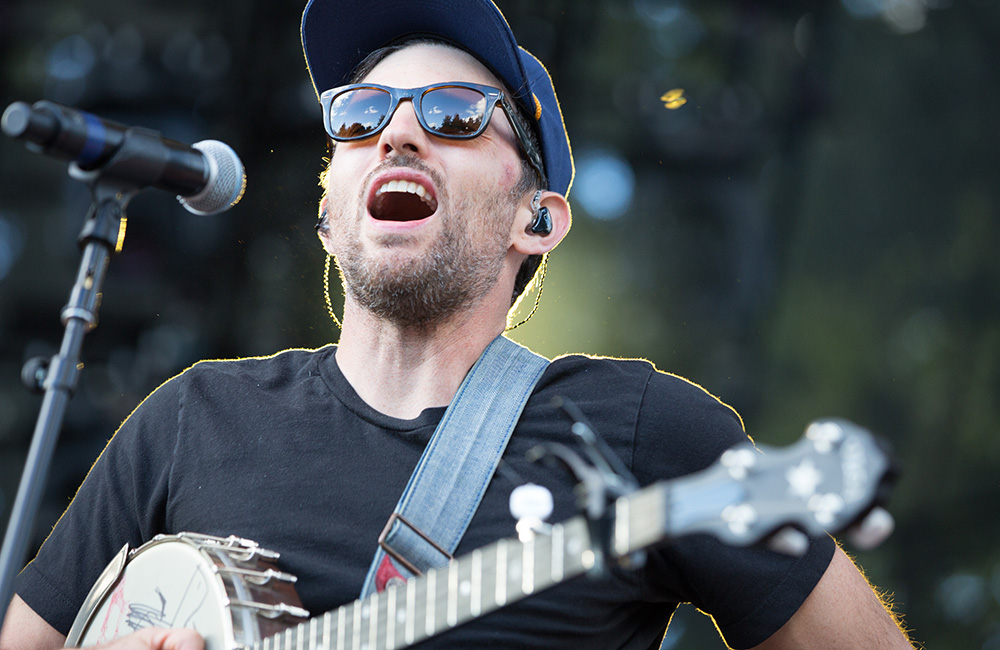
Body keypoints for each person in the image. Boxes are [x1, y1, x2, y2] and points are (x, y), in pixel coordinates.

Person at [1, 0, 915, 648]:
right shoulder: (189, 419)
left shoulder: (639, 431)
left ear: (539, 220)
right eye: (357, 119)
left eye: (453, 114)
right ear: (330, 213)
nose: (397, 134)